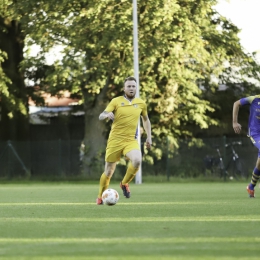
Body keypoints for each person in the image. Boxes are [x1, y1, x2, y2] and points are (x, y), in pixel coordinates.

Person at [96, 76, 152, 205]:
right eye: (129, 86)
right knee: (109, 171)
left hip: (130, 141)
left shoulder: (141, 103)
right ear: (124, 88)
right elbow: (101, 115)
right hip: (115, 140)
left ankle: (124, 183)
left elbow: (146, 120)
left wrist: (149, 136)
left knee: (137, 160)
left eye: (133, 86)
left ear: (136, 88)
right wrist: (106, 115)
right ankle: (100, 196)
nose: (131, 88)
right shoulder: (116, 101)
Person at [233, 95, 260, 198]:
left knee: (259, 163)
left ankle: (251, 186)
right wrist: (234, 122)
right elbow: (236, 104)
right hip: (255, 133)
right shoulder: (254, 99)